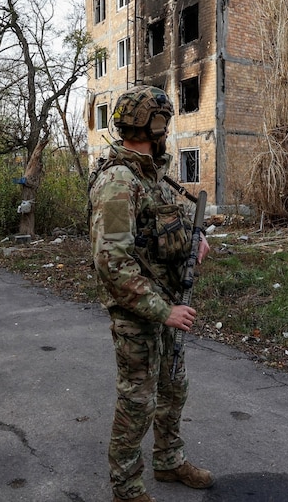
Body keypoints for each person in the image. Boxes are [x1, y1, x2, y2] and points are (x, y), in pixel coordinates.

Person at [88, 85, 213, 502]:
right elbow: (113, 264)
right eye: (164, 123)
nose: (166, 131)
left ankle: (169, 460)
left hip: (167, 306)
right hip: (139, 313)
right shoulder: (118, 182)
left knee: (174, 389)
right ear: (155, 125)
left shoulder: (154, 177)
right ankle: (125, 486)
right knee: (137, 401)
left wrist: (194, 245)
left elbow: (162, 236)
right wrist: (164, 311)